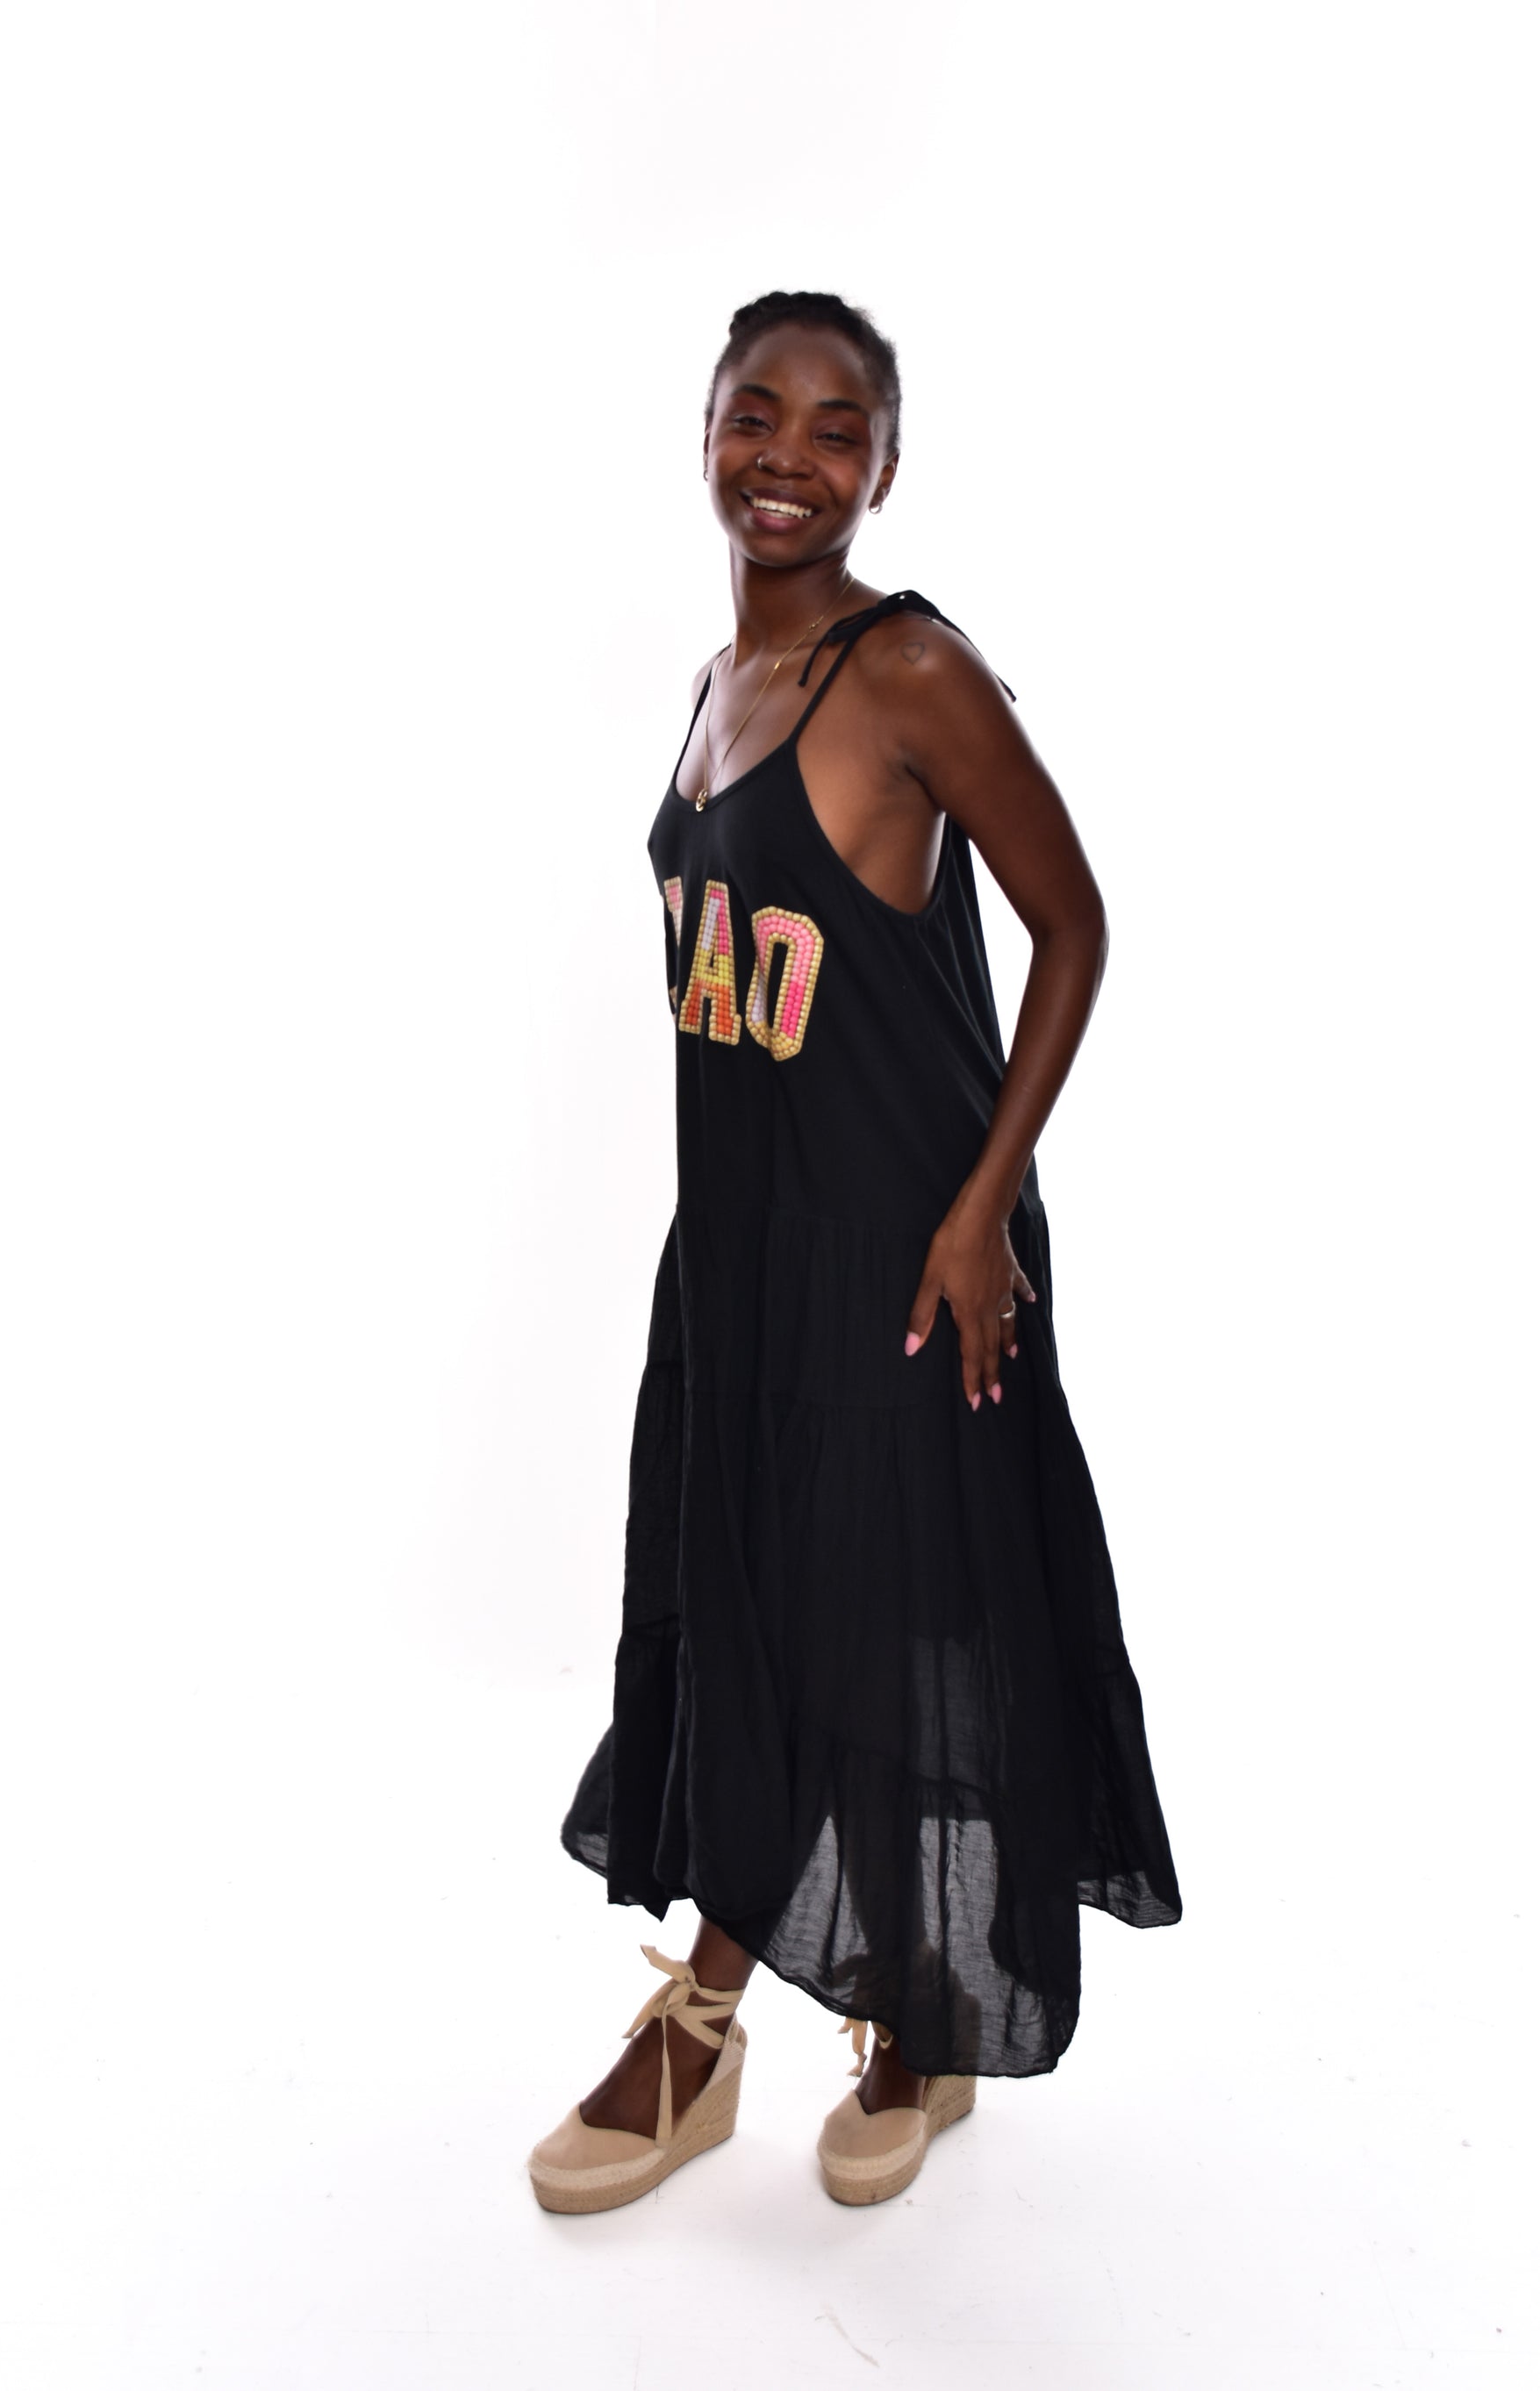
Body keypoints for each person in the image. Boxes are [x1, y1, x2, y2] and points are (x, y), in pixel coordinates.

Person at [527, 290, 1181, 2216]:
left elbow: (1075, 926)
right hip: (739, 1247)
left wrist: (981, 1211)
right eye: (758, 414)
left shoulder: (908, 675)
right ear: (704, 433)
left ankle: (772, 2018)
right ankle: (848, 2003)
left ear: (886, 469)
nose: (788, 458)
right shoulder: (715, 683)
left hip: (906, 1246)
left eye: (836, 429)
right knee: (749, 1605)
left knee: (881, 1615)